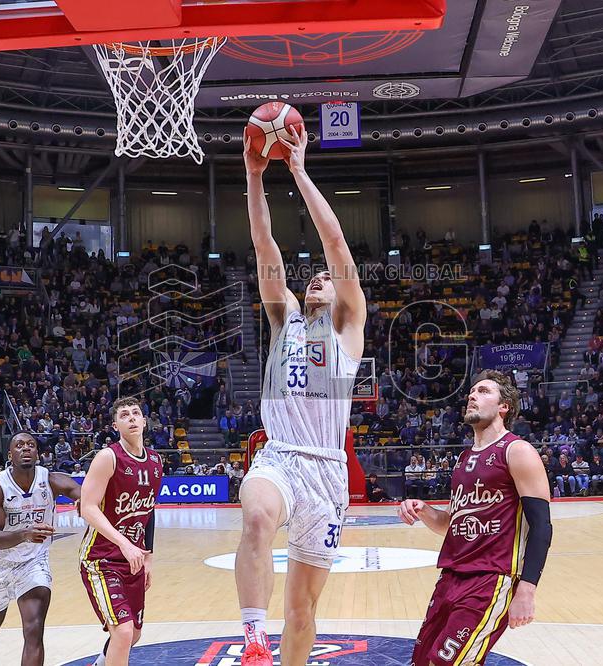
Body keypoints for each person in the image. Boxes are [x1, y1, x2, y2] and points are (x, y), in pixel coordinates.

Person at [236, 125, 366, 665]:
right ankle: (252, 639)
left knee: (302, 612)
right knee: (258, 517)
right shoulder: (284, 316)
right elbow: (264, 244)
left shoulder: (348, 328)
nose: (317, 279)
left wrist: (299, 168)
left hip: (327, 472)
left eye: (325, 279)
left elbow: (334, 243)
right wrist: (253, 175)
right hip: (281, 456)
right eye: (310, 277)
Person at [399, 371, 552, 666]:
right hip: (451, 576)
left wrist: (527, 590)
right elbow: (450, 524)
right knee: (422, 661)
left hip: (492, 580)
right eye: (471, 392)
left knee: (446, 662)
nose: (472, 396)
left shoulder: (517, 451)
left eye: (483, 391)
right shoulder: (464, 458)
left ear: (503, 406)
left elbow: (542, 527)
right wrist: (423, 509)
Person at [0, 432, 82, 666]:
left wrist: (84, 501)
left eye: (31, 445)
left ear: (37, 453)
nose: (25, 448)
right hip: (0, 565)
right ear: (10, 454)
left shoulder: (51, 480)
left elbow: (78, 492)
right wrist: (25, 534)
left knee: (34, 629)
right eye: (19, 445)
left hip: (33, 563)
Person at [79, 398, 163, 666]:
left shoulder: (156, 461)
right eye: (124, 415)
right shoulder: (108, 457)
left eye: (136, 413)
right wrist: (124, 543)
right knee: (123, 631)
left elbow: (149, 511)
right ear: (116, 425)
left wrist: (147, 557)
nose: (132, 418)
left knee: (134, 634)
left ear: (144, 421)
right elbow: (88, 508)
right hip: (100, 559)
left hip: (134, 562)